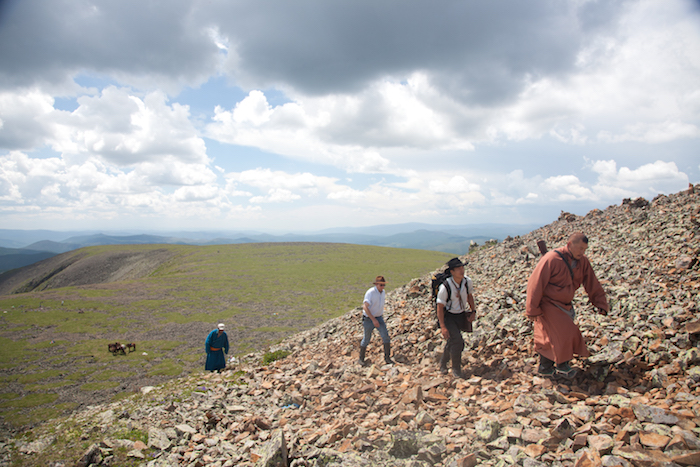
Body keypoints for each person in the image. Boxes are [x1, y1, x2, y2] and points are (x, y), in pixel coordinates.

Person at [525, 232, 609, 378]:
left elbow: (591, 282)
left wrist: (600, 303)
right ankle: (562, 365)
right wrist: (532, 309)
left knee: (551, 336)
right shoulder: (552, 259)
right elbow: (535, 283)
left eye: (585, 249)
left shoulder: (583, 262)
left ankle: (546, 368)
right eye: (580, 249)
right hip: (548, 304)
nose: (582, 252)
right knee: (566, 332)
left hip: (565, 305)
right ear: (570, 245)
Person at [437, 258, 476, 378]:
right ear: (452, 271)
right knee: (458, 341)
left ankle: (443, 363)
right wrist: (443, 326)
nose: (462, 270)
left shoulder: (466, 282)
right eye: (458, 269)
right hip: (449, 316)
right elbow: (439, 307)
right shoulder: (445, 286)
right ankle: (456, 369)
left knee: (453, 340)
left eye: (462, 268)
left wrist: (473, 311)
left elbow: (470, 296)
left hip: (461, 314)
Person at [358, 276, 393, 366]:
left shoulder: (383, 292)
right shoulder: (371, 292)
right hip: (369, 319)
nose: (382, 287)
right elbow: (365, 306)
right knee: (366, 338)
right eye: (381, 285)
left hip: (379, 317)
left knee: (385, 336)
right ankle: (361, 359)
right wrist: (373, 320)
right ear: (376, 284)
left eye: (384, 285)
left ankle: (387, 358)